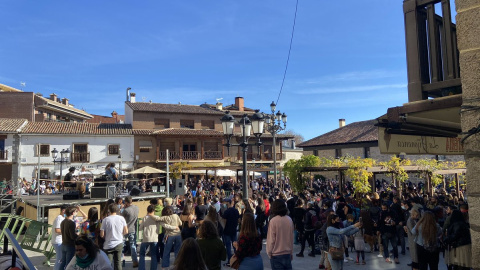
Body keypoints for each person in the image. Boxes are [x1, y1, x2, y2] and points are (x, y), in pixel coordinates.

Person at [266, 200, 294, 270]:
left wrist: (269, 253)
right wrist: (291, 252)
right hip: (287, 253)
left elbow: (271, 240)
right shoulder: (289, 219)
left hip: (276, 254)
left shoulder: (273, 221)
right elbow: (291, 238)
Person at [100, 203, 128, 270]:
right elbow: (126, 231)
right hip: (119, 242)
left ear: (109, 210)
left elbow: (102, 234)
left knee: (108, 263)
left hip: (108, 244)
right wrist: (120, 235)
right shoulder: (121, 218)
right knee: (118, 262)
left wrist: (106, 237)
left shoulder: (105, 220)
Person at [221, 198, 240, 266]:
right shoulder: (236, 211)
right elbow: (238, 220)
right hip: (234, 230)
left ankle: (229, 260)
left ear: (228, 203)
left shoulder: (227, 211)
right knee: (235, 245)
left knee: (228, 246)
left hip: (227, 231)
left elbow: (224, 221)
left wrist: (223, 228)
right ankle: (236, 259)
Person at [122, 196, 139, 268]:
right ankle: (135, 261)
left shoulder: (126, 210)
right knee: (133, 245)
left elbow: (121, 218)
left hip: (125, 229)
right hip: (133, 229)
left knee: (122, 245)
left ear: (126, 202)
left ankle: (122, 261)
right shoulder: (137, 208)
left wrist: (123, 208)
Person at [60, 206, 79, 270]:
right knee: (69, 264)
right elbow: (72, 236)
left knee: (63, 263)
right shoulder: (71, 223)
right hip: (70, 245)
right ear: (73, 213)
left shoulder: (63, 221)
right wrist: (78, 235)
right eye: (76, 212)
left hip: (63, 244)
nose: (76, 213)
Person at [51, 205, 67, 270]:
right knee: (60, 259)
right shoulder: (59, 218)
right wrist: (66, 231)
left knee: (61, 258)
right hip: (58, 242)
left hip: (59, 241)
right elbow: (57, 230)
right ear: (63, 210)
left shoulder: (62, 218)